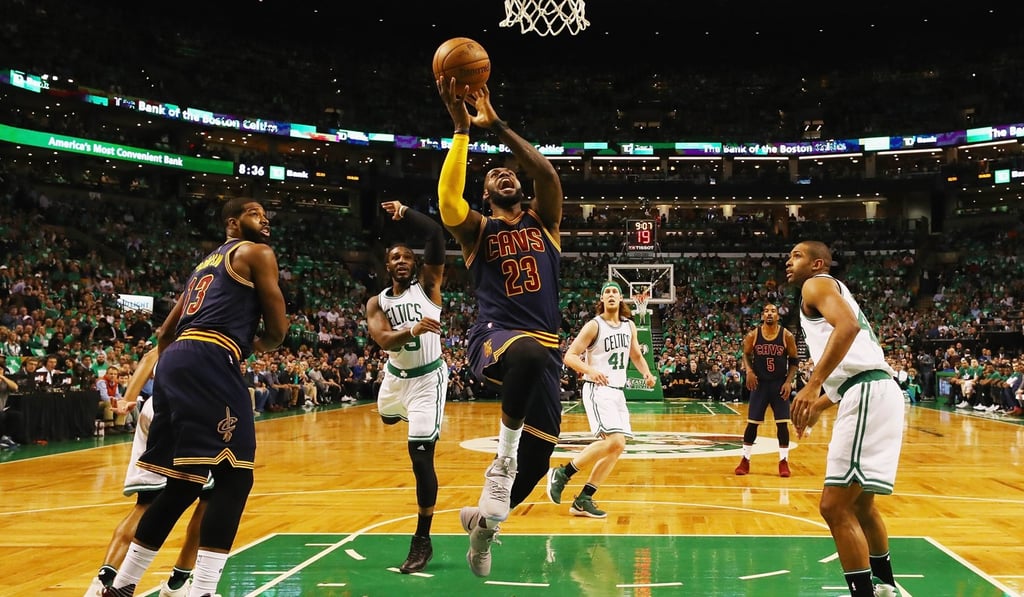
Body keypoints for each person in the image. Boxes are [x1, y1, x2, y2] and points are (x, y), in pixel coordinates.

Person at [104, 196, 287, 597]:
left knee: (183, 485)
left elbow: (164, 335)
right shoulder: (256, 253)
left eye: (265, 214)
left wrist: (176, 370)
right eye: (255, 213)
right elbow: (278, 330)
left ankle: (122, 585)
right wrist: (249, 347)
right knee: (234, 478)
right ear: (232, 223)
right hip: (211, 356)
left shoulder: (203, 266)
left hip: (174, 361)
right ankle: (203, 589)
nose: (265, 219)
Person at [437, 77, 564, 577]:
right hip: (495, 337)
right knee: (527, 351)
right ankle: (501, 463)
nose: (504, 174)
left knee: (539, 461)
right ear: (485, 194)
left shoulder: (544, 221)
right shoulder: (477, 230)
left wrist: (499, 126)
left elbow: (547, 173)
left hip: (546, 352)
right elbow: (448, 202)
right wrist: (462, 132)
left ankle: (483, 526)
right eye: (494, 176)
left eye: (509, 172)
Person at [788, 241, 905, 597]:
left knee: (834, 507)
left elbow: (848, 328)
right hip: (874, 389)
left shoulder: (816, 284)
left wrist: (812, 385)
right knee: (860, 505)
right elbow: (855, 360)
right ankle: (885, 587)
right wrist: (820, 405)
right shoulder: (832, 291)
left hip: (867, 392)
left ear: (817, 263)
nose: (788, 261)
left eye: (797, 255)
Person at [86, 348, 212, 597]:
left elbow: (149, 357)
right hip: (187, 408)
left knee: (145, 504)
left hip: (155, 407)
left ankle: (101, 582)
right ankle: (178, 583)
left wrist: (127, 397)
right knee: (212, 497)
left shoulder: (177, 333)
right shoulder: (215, 333)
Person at [366, 199, 447, 574]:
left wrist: (405, 212)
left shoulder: (428, 287)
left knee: (420, 456)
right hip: (394, 379)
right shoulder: (376, 302)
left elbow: (435, 234)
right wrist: (413, 329)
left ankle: (422, 539)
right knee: (385, 416)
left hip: (428, 379)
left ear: (415, 264)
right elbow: (383, 340)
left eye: (407, 257)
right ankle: (401, 416)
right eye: (395, 257)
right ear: (387, 265)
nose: (401, 261)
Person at [545, 281, 655, 518]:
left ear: (621, 298)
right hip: (597, 388)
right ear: (602, 300)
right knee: (614, 440)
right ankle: (562, 474)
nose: (611, 295)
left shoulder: (629, 326)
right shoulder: (594, 325)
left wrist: (646, 373)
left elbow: (636, 355)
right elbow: (570, 356)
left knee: (618, 446)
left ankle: (583, 499)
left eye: (615, 291)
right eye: (607, 292)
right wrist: (590, 370)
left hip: (617, 391)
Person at [735, 303, 799, 478]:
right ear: (762, 315)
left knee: (782, 424)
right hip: (760, 384)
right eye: (766, 311)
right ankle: (745, 459)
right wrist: (749, 371)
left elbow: (794, 361)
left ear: (778, 316)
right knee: (752, 423)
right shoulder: (753, 335)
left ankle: (783, 461)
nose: (769, 313)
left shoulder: (786, 335)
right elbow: (746, 354)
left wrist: (788, 382)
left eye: (773, 311)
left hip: (779, 384)